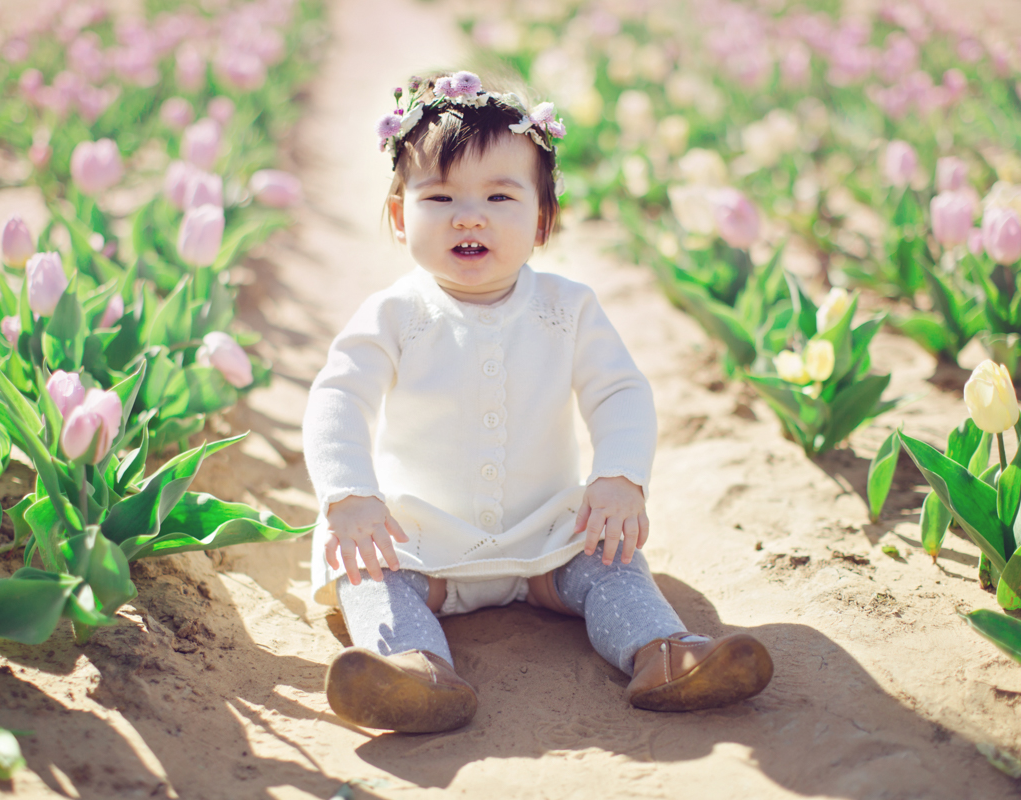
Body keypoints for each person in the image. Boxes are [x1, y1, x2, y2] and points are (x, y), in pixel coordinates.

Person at [303, 71, 772, 734]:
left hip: (549, 537)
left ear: (543, 219)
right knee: (370, 576)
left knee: (613, 565)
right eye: (440, 197)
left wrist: (618, 476)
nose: (470, 215)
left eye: (499, 195)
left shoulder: (567, 310)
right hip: (419, 537)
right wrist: (350, 492)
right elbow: (339, 398)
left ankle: (663, 655)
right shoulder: (394, 316)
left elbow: (620, 392)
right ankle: (413, 671)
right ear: (400, 216)